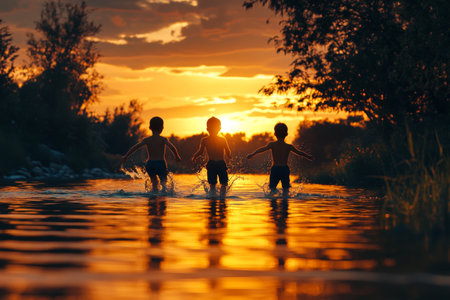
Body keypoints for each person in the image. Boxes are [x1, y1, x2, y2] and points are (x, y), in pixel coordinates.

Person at [247, 122, 312, 196]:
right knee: (286, 190)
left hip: (275, 169)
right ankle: (284, 203)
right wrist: (308, 156)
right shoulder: (289, 146)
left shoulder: (272, 145)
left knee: (272, 188)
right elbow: (299, 152)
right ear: (286, 134)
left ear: (275, 133)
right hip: (284, 169)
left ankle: (274, 202)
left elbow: (262, 149)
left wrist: (253, 154)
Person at [121, 116, 181, 192]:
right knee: (164, 183)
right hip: (160, 163)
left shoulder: (147, 140)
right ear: (162, 128)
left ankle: (153, 199)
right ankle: (163, 200)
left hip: (150, 164)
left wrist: (126, 156)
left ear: (149, 127)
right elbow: (171, 147)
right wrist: (177, 156)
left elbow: (135, 147)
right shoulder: (163, 139)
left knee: (154, 183)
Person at [192, 117, 231, 196]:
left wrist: (194, 157)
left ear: (207, 129)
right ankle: (222, 197)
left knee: (212, 184)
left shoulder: (205, 140)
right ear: (219, 128)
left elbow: (200, 151)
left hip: (211, 164)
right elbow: (228, 150)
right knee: (224, 183)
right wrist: (229, 156)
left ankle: (212, 197)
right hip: (221, 163)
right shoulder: (222, 139)